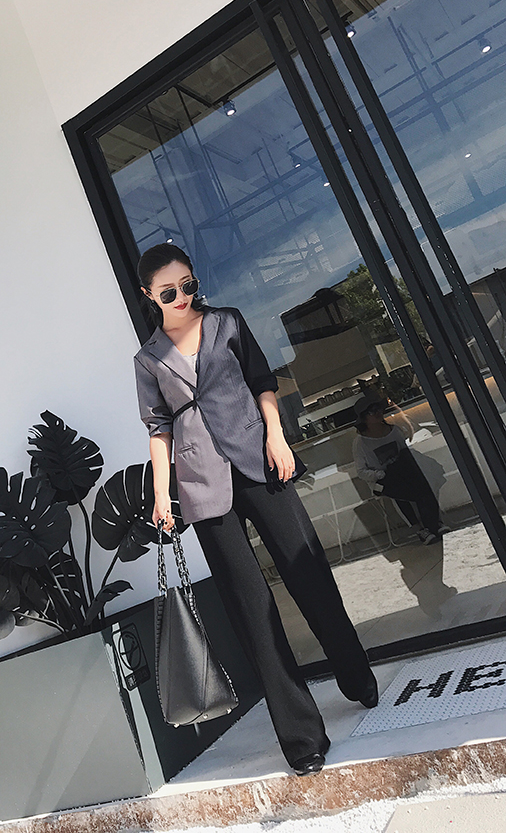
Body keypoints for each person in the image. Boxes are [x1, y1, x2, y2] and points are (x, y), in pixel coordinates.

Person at [133, 244, 377, 777]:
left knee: (309, 574)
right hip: (202, 484)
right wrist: (161, 495)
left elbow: (263, 382)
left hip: (260, 460)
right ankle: (301, 737)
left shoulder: (228, 322)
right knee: (252, 610)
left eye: (188, 286)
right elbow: (159, 429)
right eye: (169, 293)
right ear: (149, 295)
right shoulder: (148, 359)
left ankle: (355, 673)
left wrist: (277, 437)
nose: (182, 298)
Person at [352, 394, 447, 545]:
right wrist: (380, 474)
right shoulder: (361, 443)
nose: (377, 413)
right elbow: (361, 471)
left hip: (403, 473)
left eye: (378, 409)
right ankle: (421, 528)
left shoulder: (394, 431)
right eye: (372, 411)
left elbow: (406, 453)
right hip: (381, 481)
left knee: (424, 483)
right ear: (364, 418)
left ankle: (433, 523)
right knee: (404, 492)